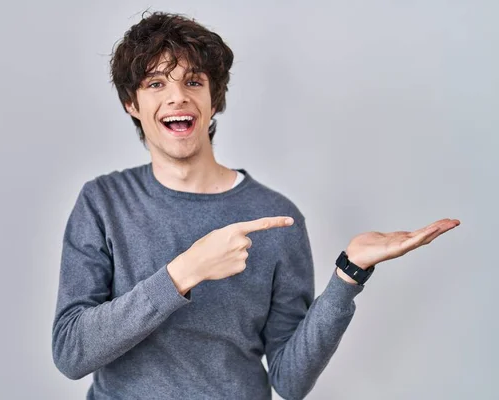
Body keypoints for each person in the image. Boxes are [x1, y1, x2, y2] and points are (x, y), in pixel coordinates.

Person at [51, 11, 460, 399]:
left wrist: (348, 275)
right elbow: (71, 352)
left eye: (193, 82)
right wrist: (185, 271)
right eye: (156, 83)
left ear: (214, 100)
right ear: (132, 104)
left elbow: (290, 381)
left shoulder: (276, 218)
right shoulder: (102, 202)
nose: (177, 97)